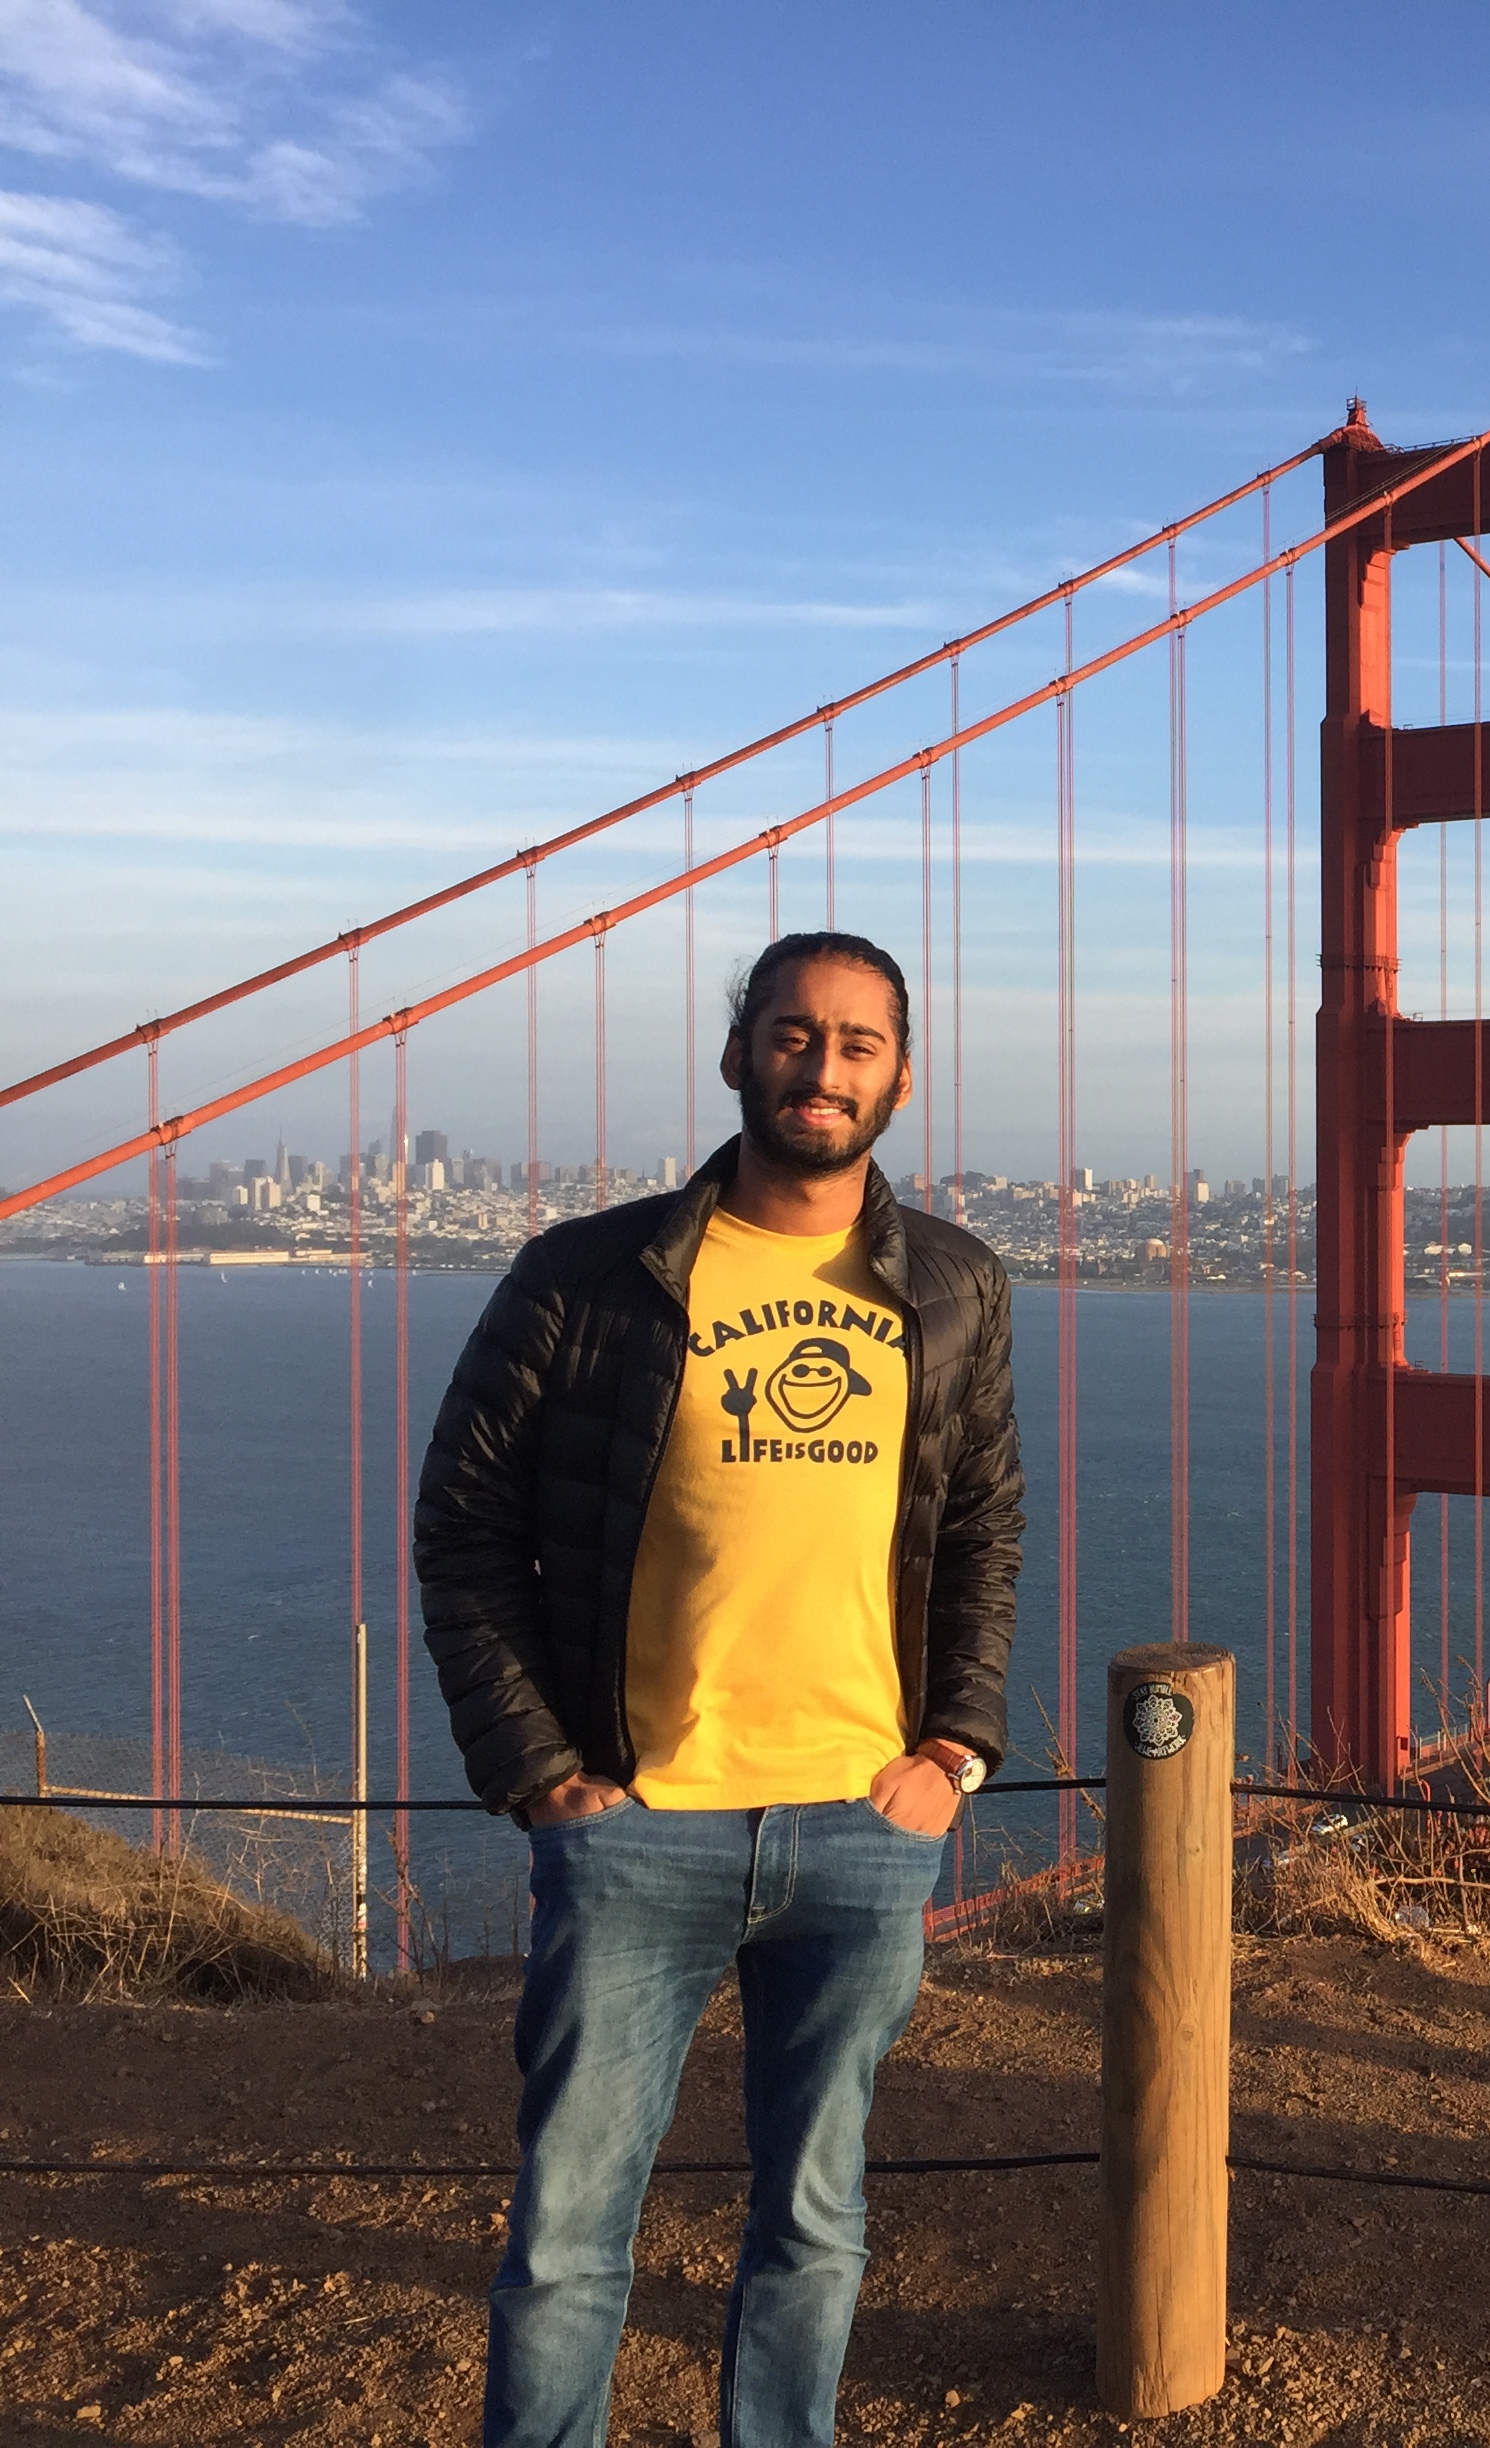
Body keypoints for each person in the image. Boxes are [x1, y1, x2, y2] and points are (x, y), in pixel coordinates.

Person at [414, 929, 1022, 2448]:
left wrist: (954, 1750)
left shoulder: (955, 1283)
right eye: (796, 1036)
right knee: (566, 2238)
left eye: (859, 1044)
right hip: (638, 1825)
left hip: (859, 1828)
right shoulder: (585, 1274)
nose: (825, 1070)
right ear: (741, 1051)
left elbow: (985, 1526)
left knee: (815, 2223)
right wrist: (544, 1773)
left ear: (903, 1071)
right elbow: (466, 1525)